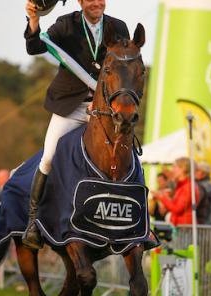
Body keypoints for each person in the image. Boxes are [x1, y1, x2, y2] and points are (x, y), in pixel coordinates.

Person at [23, 0, 130, 249]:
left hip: (104, 107)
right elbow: (35, 47)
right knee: (48, 157)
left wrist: (108, 99)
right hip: (70, 105)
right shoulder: (67, 25)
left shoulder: (119, 27)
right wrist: (34, 20)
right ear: (81, 2)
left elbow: (125, 66)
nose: (97, 3)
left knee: (127, 156)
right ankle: (32, 222)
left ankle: (135, 220)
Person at [153, 157, 199, 226]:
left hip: (185, 228)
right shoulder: (181, 185)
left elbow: (177, 209)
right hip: (180, 226)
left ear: (183, 169)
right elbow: (175, 205)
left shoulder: (188, 187)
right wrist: (167, 197)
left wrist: (162, 197)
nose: (172, 170)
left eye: (174, 167)